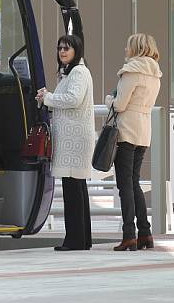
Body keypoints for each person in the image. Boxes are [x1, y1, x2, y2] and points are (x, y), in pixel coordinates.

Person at [36, 35, 95, 251]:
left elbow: (73, 99)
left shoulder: (78, 72)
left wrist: (48, 98)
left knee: (73, 190)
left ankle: (74, 240)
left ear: (76, 50)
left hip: (74, 139)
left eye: (67, 48)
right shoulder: (71, 72)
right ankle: (82, 239)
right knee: (77, 188)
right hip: (74, 137)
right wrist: (48, 98)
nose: (62, 52)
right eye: (60, 48)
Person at [105, 33, 162, 251]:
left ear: (136, 48)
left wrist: (109, 99)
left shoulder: (132, 71)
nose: (125, 50)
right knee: (134, 181)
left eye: (128, 46)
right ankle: (145, 233)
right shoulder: (155, 73)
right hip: (144, 130)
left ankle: (129, 234)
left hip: (127, 130)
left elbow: (119, 104)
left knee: (124, 184)